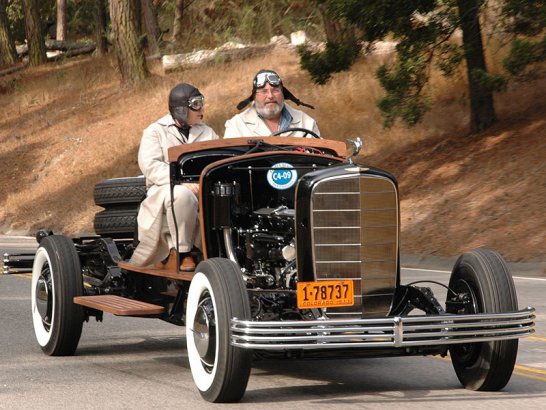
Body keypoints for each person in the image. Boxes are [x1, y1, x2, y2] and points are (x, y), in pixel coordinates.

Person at [129, 83, 219, 271]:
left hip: (201, 187)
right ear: (180, 109)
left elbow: (218, 161)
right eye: (196, 104)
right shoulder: (155, 131)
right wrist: (182, 183)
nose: (202, 109)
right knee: (181, 195)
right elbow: (150, 166)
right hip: (163, 189)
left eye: (201, 103)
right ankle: (181, 252)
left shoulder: (207, 132)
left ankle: (221, 250)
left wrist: (201, 183)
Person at [224, 69, 320, 138]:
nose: (270, 96)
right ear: (254, 96)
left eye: (275, 90)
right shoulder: (236, 126)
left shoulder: (306, 122)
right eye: (263, 91)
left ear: (283, 94)